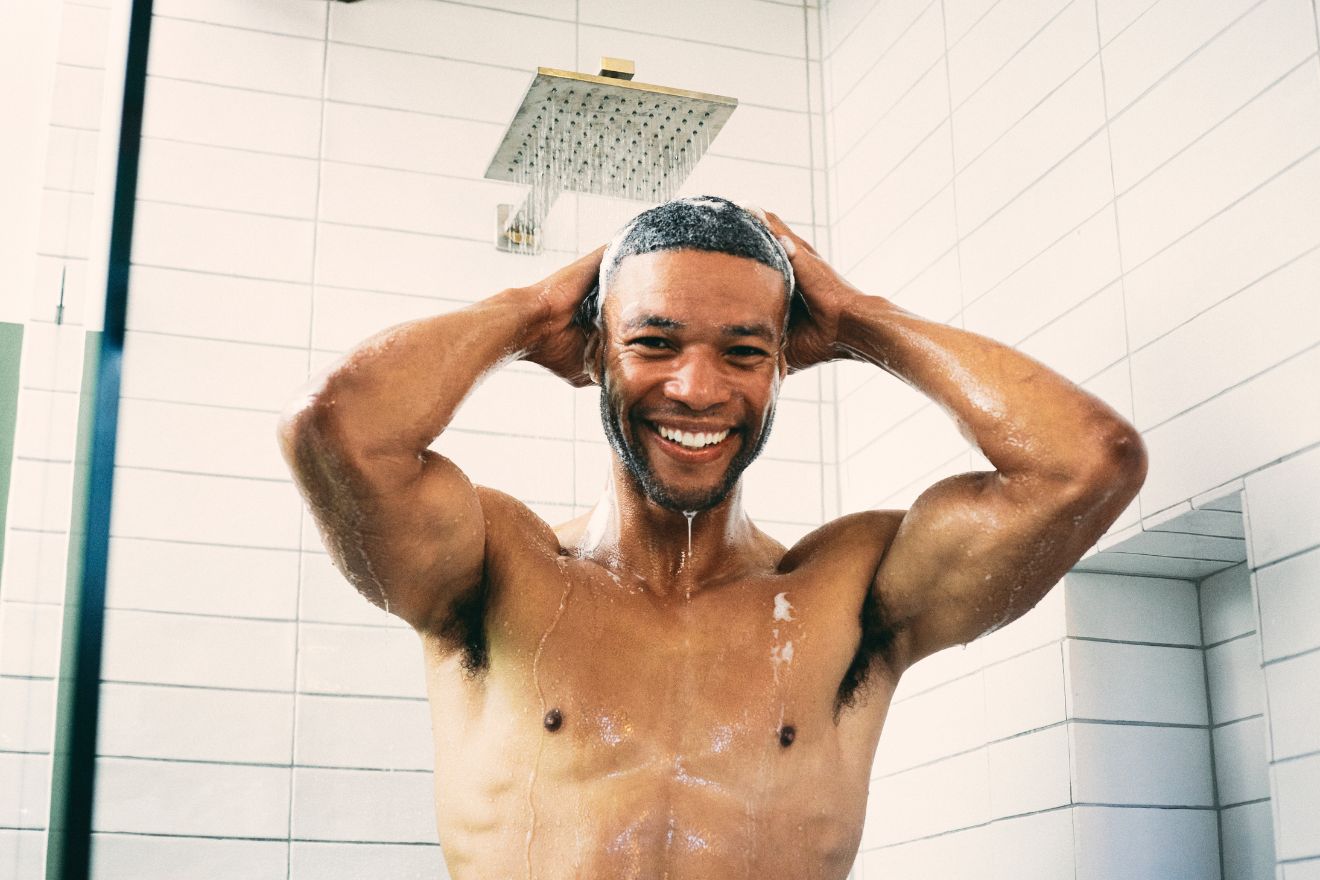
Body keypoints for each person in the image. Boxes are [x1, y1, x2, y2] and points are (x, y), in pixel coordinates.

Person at [276, 196, 1147, 879]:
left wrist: (858, 320)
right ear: (593, 356)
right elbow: (336, 427)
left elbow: (1086, 463)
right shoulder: (496, 572)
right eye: (653, 342)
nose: (697, 389)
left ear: (783, 365)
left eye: (743, 353)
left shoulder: (846, 597)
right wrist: (531, 307)